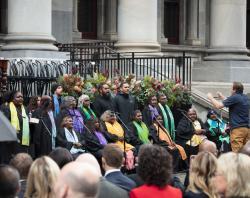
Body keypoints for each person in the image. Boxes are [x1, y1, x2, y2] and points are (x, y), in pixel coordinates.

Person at [207, 82, 250, 152]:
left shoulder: (235, 97)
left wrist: (211, 98)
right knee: (247, 152)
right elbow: (230, 101)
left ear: (234, 90)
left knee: (238, 153)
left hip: (238, 130)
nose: (230, 90)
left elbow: (218, 106)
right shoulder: (245, 97)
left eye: (231, 88)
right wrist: (221, 96)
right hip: (247, 129)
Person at [0, 91, 30, 163]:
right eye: (18, 97)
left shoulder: (24, 109)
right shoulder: (6, 107)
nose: (21, 98)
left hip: (22, 140)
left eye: (22, 97)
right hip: (10, 142)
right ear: (12, 99)